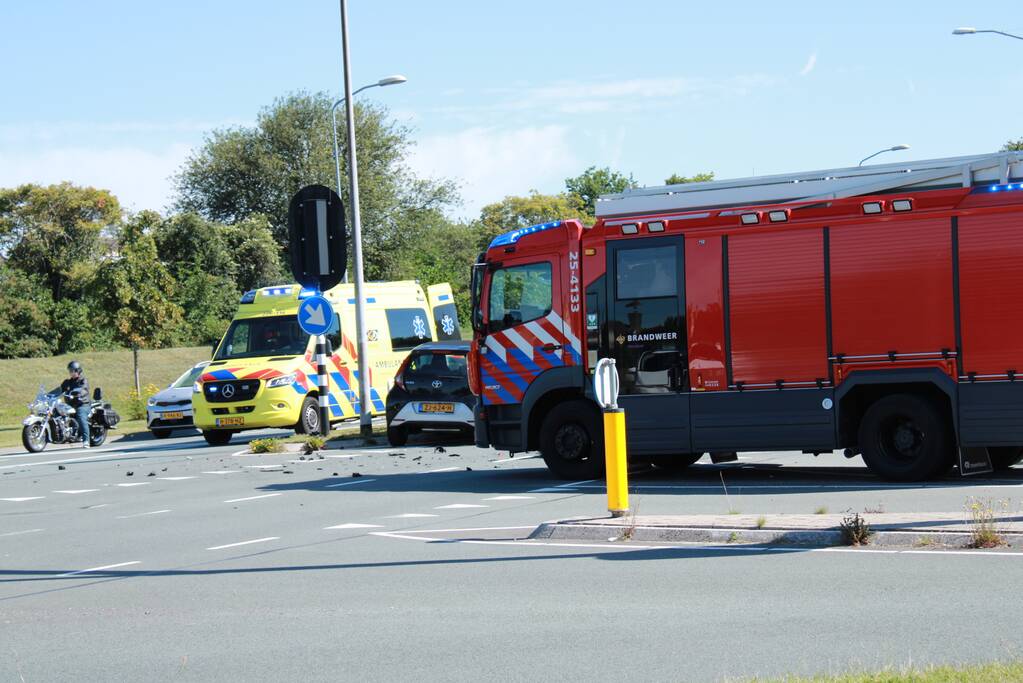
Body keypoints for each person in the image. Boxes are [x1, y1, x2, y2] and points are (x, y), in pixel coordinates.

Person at [53, 360, 90, 447]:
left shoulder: (83, 380)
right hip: (70, 405)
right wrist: (48, 395)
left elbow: (83, 389)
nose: (70, 372)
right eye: (70, 370)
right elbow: (59, 390)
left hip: (82, 404)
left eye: (72, 370)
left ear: (78, 371)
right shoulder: (67, 382)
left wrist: (77, 392)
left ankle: (86, 441)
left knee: (81, 417)